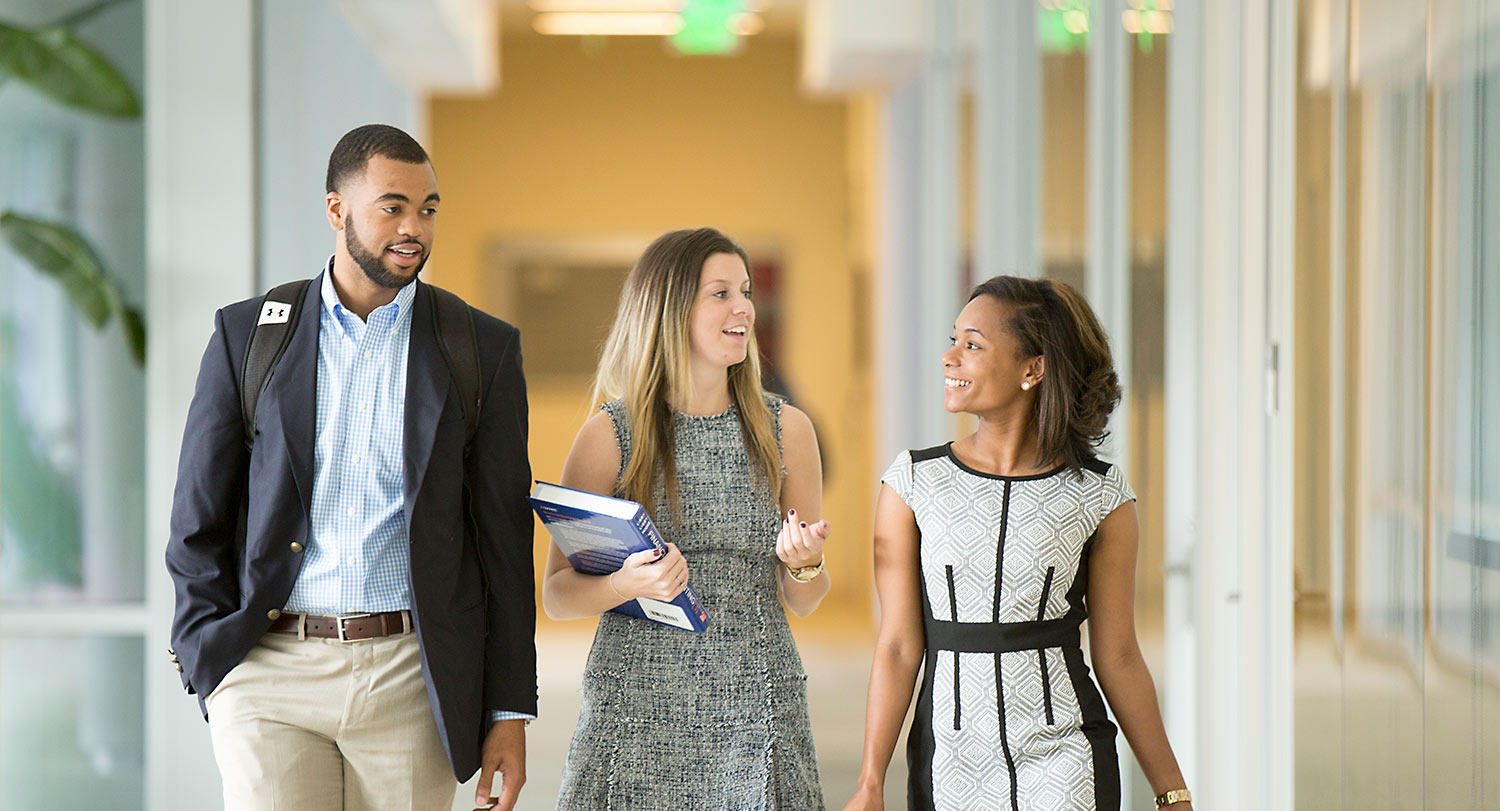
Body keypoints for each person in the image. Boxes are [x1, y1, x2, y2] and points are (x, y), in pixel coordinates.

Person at [165, 124, 536, 811]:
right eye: (391, 206)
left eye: (427, 209)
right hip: (269, 670)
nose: (413, 228)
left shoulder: (480, 348)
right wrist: (206, 656)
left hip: (409, 674)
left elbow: (505, 545)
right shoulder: (248, 336)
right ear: (336, 210)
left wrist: (509, 708)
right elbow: (197, 518)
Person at [844, 276, 1193, 811]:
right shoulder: (913, 484)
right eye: (953, 339)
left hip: (1067, 756)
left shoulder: (1101, 495)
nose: (948, 357)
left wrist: (1172, 792)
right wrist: (871, 781)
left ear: (1033, 368)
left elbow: (1119, 653)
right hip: (950, 764)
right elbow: (896, 646)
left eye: (972, 344)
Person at [544, 227, 830, 810]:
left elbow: (803, 599)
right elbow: (555, 596)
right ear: (670, 309)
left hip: (758, 699)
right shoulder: (609, 436)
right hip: (635, 703)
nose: (744, 307)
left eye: (746, 291)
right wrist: (627, 583)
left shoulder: (787, 432)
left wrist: (805, 565)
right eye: (720, 293)